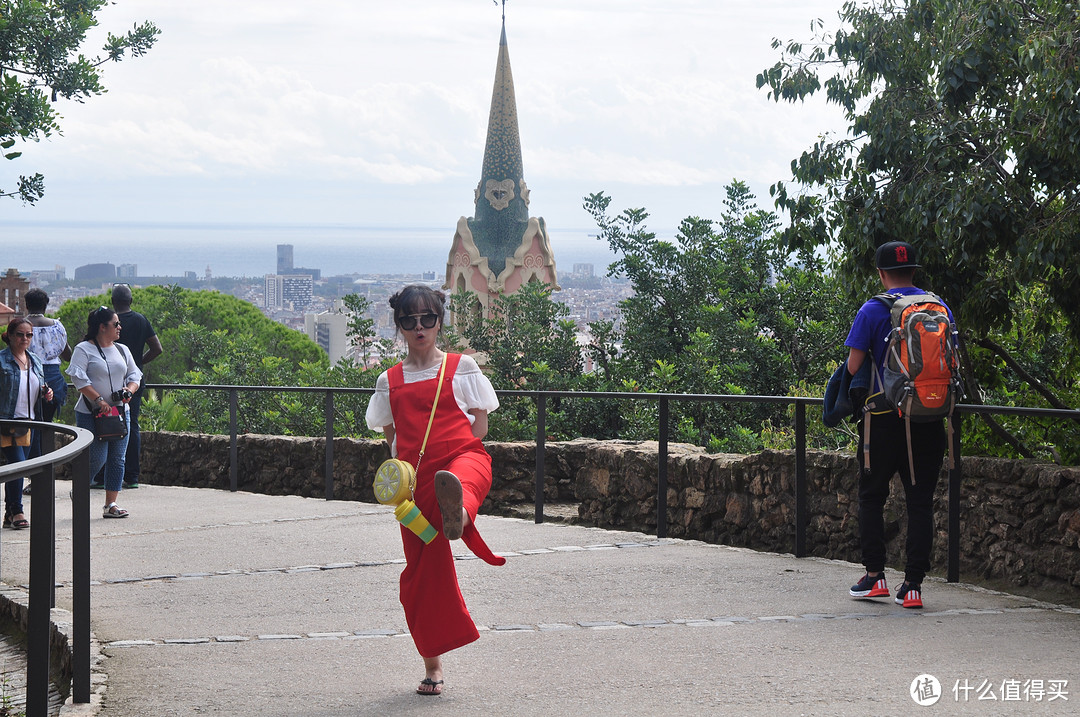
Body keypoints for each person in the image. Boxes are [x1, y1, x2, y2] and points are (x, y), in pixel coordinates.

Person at [364, 285, 505, 696]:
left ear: (440, 321)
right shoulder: (388, 381)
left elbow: (478, 432)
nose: (419, 326)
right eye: (410, 320)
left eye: (427, 318)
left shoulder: (462, 368)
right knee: (423, 574)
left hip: (461, 460)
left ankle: (456, 515)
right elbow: (393, 443)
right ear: (400, 326)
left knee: (467, 476)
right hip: (418, 484)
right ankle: (433, 665)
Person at [845, 241, 952, 609]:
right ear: (914, 271)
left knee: (872, 497)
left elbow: (854, 366)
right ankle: (913, 587)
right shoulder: (939, 307)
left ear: (881, 273)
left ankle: (875, 577)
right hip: (929, 416)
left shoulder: (873, 309)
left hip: (885, 420)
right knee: (920, 502)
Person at [68, 306, 142, 518]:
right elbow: (78, 378)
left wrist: (129, 390)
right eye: (116, 324)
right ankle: (80, 489)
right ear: (102, 327)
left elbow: (134, 375)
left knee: (118, 459)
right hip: (91, 412)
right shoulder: (83, 349)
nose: (120, 327)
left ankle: (111, 505)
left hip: (119, 412)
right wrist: (98, 399)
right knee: (97, 457)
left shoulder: (122, 350)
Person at [92, 284, 161, 489]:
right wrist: (137, 363)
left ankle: (102, 475)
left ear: (113, 302)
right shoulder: (140, 320)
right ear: (130, 301)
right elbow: (157, 348)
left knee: (104, 425)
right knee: (131, 427)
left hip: (107, 382)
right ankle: (131, 476)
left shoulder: (106, 322)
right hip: (133, 384)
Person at [1, 318, 54, 529]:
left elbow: (39, 386)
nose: (25, 339)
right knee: (19, 466)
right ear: (10, 336)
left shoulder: (35, 360)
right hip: (8, 421)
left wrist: (46, 392)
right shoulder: (2, 360)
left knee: (17, 467)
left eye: (29, 335)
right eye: (20, 334)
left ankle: (8, 515)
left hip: (32, 422)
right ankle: (17, 510)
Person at [24, 289, 71, 493]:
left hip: (29, 378)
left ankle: (36, 477)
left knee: (31, 428)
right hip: (54, 379)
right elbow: (68, 354)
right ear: (46, 304)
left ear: (26, 305)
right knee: (46, 428)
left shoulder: (22, 327)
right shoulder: (57, 326)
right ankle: (45, 475)